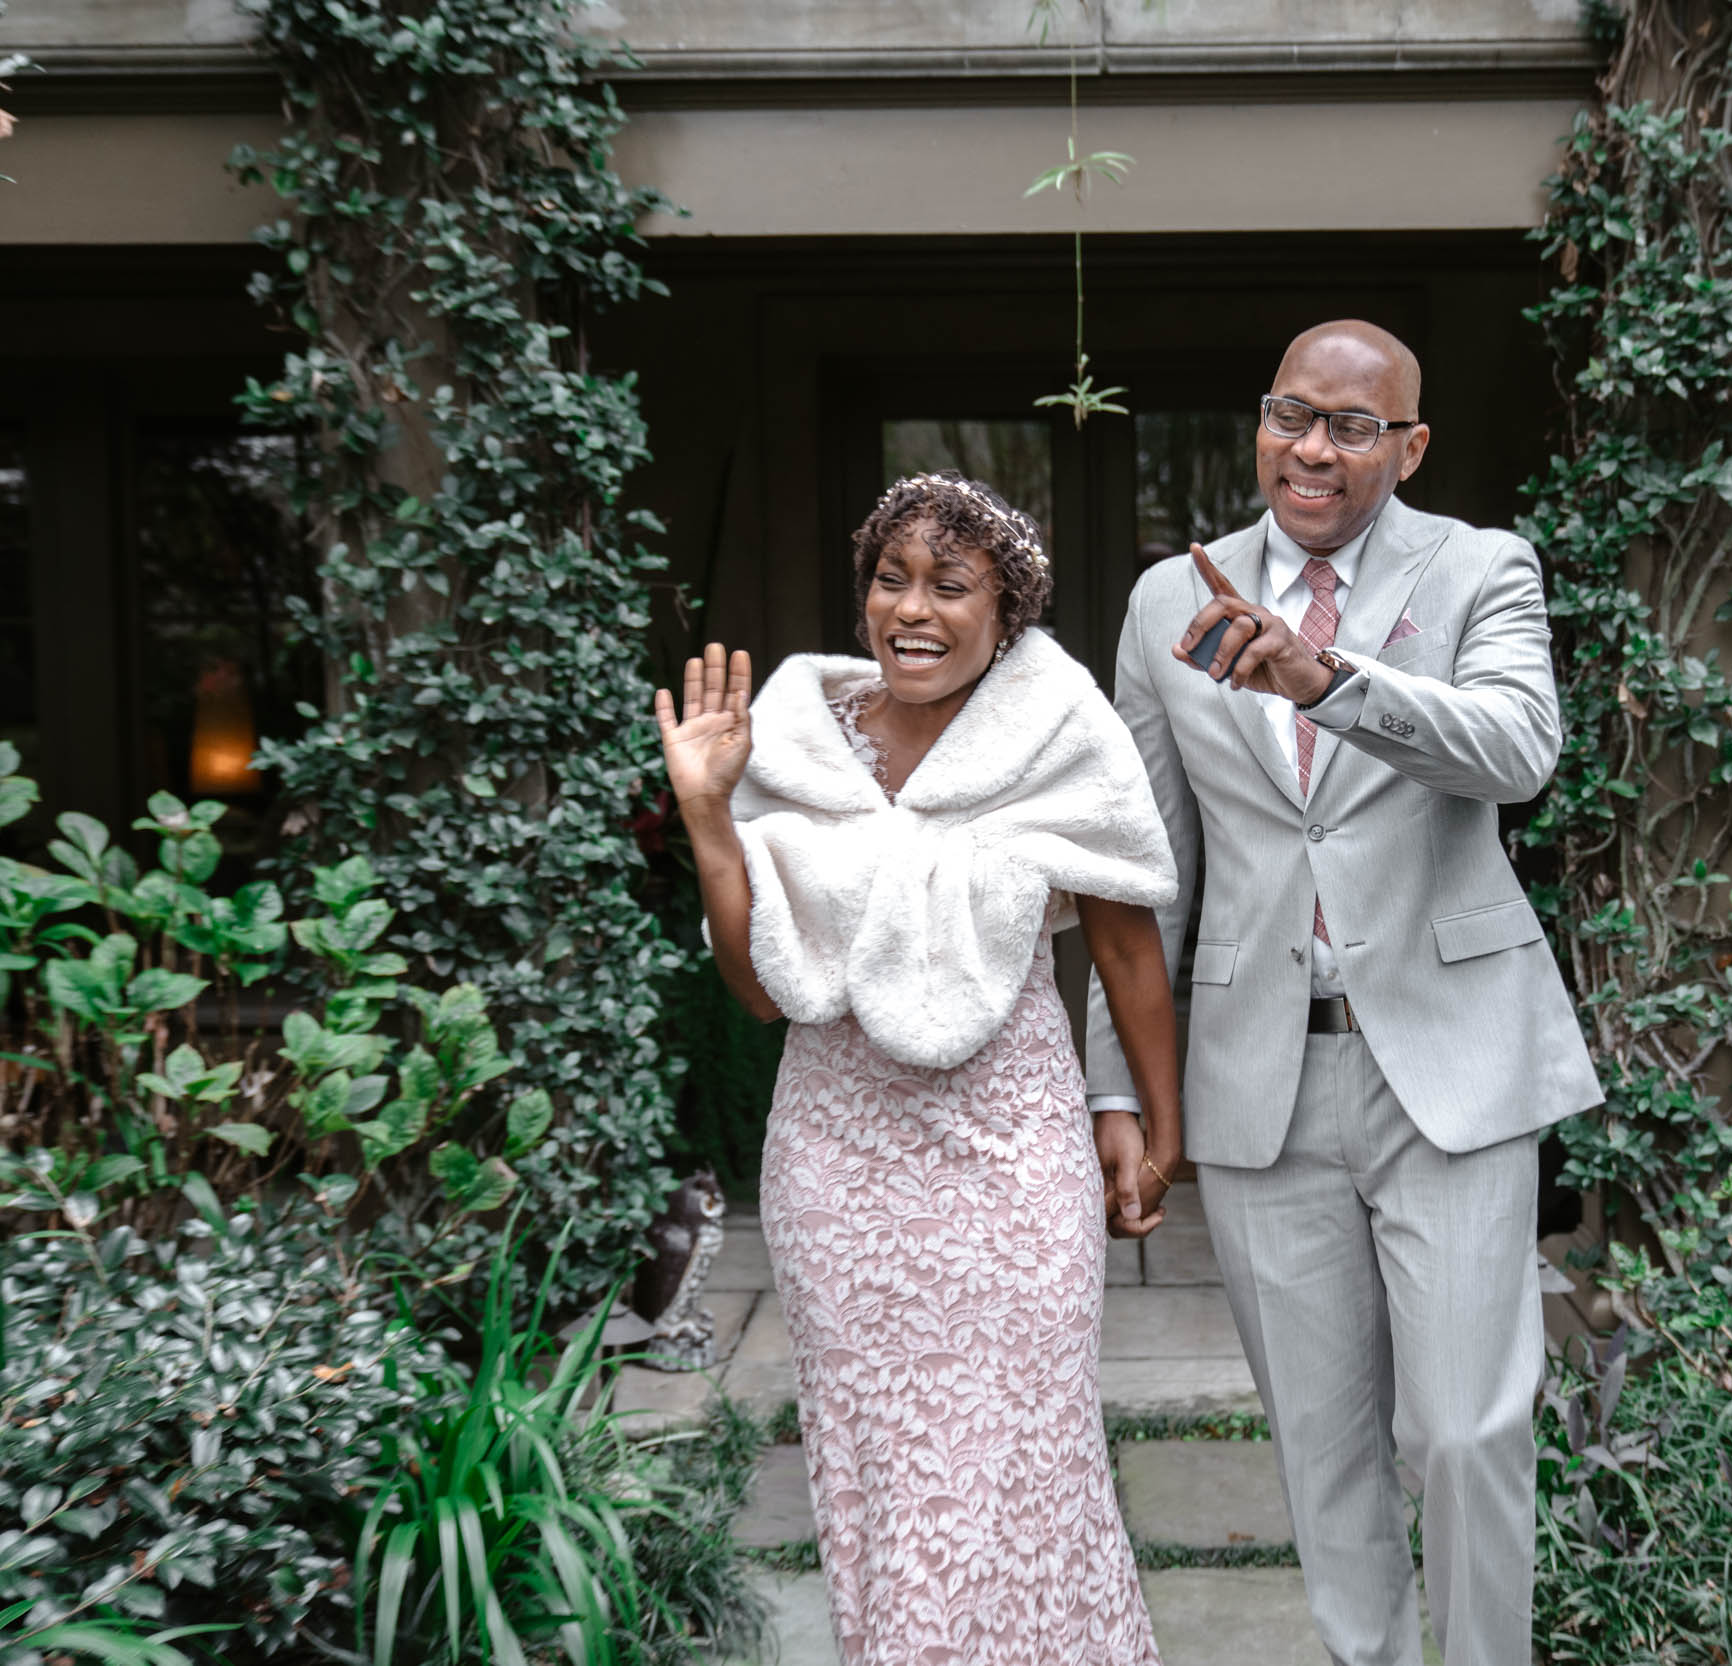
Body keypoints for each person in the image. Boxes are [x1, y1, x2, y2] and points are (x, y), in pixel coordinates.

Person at [1085, 321, 1603, 1666]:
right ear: (1261, 422)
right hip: (1259, 1071)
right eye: (1290, 415)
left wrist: (1325, 678)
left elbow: (1516, 747)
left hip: (1450, 1062)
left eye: (1351, 426)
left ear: (1406, 445)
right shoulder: (1163, 600)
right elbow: (1140, 863)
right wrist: (1119, 1087)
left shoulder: (1479, 566)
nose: (1312, 448)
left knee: (1467, 1425)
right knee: (1322, 1446)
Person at [655, 471, 1184, 1666]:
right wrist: (707, 816)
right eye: (891, 579)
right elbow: (756, 987)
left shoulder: (1057, 734)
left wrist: (1163, 1126)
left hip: (1009, 1162)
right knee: (881, 1488)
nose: (914, 608)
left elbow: (1125, 950)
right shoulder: (800, 749)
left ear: (1007, 614)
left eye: (952, 585)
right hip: (838, 1170)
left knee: (1017, 1471)